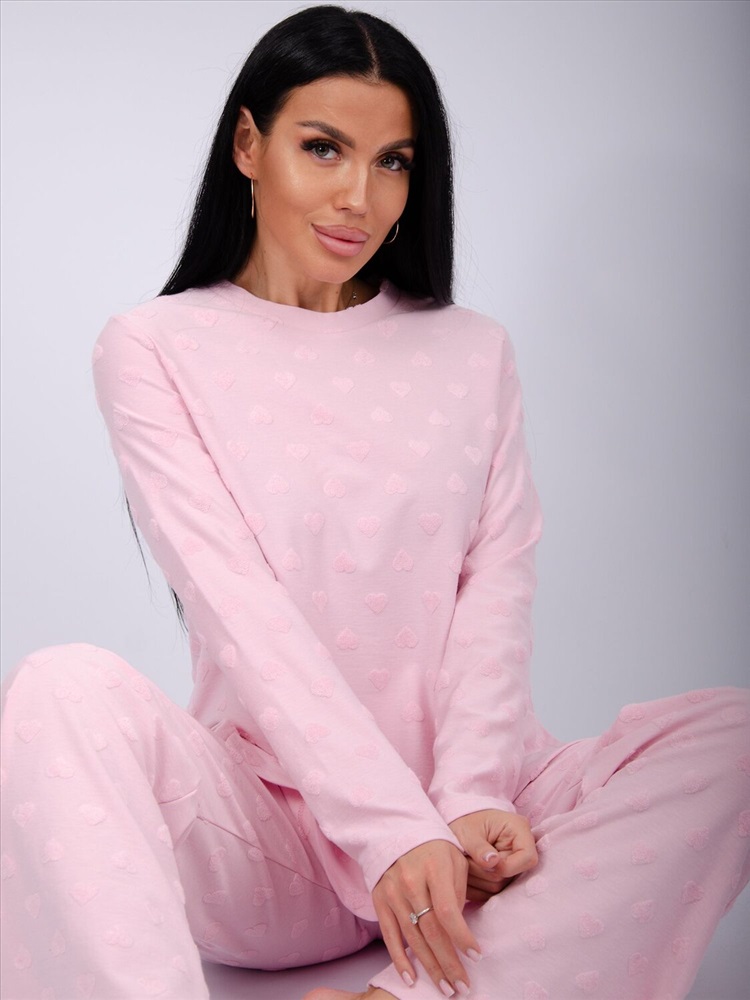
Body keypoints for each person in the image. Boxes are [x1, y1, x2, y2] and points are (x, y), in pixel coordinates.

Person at [1, 6, 748, 999]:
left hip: (475, 825)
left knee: (734, 736)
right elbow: (240, 612)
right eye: (323, 148)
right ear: (248, 145)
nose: (361, 195)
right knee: (58, 686)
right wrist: (390, 826)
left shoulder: (471, 350)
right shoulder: (154, 348)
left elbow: (495, 588)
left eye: (393, 161)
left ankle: (405, 998)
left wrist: (468, 795)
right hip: (276, 839)